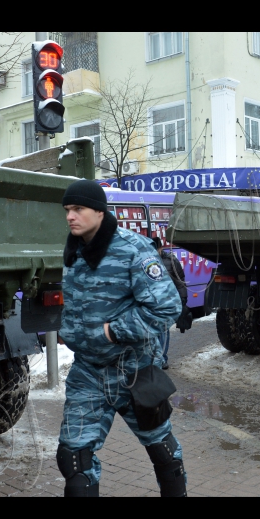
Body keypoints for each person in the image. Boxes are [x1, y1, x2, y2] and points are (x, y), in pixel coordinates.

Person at [58, 181, 186, 498]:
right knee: (74, 458)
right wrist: (70, 330)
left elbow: (166, 307)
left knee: (162, 450)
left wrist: (112, 331)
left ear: (99, 212)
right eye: (67, 211)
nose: (70, 217)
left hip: (134, 372)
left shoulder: (133, 249)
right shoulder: (75, 250)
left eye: (78, 210)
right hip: (88, 373)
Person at [151, 237, 191, 370]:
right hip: (151, 303)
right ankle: (156, 358)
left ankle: (162, 358)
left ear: (161, 248)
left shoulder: (171, 261)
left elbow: (180, 282)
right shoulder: (147, 261)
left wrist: (183, 300)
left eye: (155, 249)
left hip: (166, 302)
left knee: (163, 331)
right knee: (152, 332)